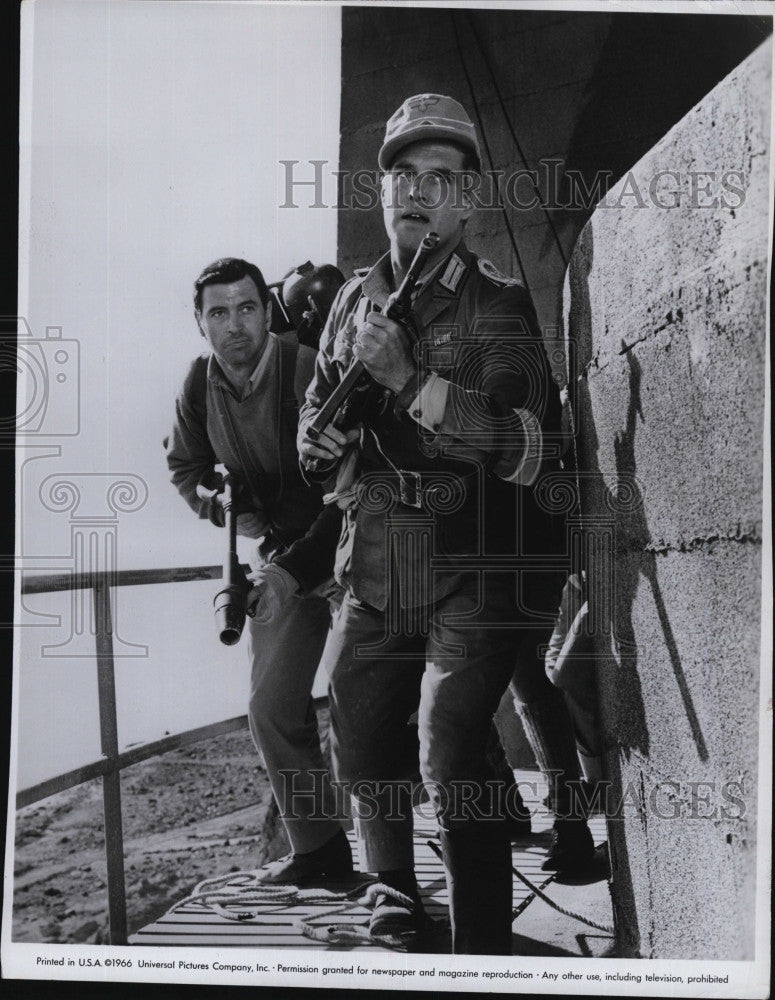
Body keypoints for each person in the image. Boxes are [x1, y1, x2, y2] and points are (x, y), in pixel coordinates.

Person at [298, 94, 593, 955]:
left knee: (448, 749)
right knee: (358, 737)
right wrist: (320, 444)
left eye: (439, 178)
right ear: (380, 191)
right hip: (375, 560)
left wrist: (410, 387)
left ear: (466, 201)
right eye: (401, 175)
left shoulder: (495, 304)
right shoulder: (352, 300)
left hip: (469, 561)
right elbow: (315, 427)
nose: (416, 192)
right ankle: (392, 893)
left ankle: (482, 950)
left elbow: (533, 449)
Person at [166, 257, 352, 884]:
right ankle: (320, 851)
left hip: (354, 544)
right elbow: (186, 470)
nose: (234, 325)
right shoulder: (198, 387)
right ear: (200, 323)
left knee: (373, 702)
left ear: (266, 312)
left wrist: (295, 567)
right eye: (218, 312)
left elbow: (360, 478)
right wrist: (220, 505)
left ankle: (487, 808)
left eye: (246, 308)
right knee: (270, 706)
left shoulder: (308, 367)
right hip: (280, 556)